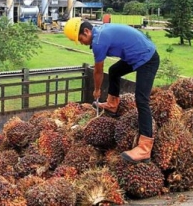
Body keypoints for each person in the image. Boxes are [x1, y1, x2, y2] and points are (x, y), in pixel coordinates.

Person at [63, 17, 160, 164]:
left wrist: (96, 90)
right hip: (135, 54)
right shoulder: (99, 32)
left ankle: (145, 148)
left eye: (80, 39)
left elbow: (98, 71)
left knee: (141, 100)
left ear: (87, 31)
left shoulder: (98, 42)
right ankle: (112, 104)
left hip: (147, 58)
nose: (82, 43)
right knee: (114, 71)